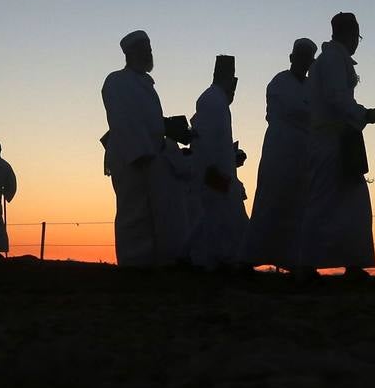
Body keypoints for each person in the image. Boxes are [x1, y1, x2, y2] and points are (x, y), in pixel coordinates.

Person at [296, 13, 375, 279]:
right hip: (330, 141)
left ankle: (352, 261)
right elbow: (337, 98)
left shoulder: (331, 60)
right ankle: (307, 263)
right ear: (351, 33)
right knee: (323, 199)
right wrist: (365, 114)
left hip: (340, 139)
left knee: (352, 201)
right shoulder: (334, 60)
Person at [101, 30, 186, 268]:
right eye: (145, 50)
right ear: (131, 53)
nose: (149, 54)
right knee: (133, 211)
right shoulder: (117, 81)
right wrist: (139, 153)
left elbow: (150, 122)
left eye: (150, 49)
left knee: (152, 212)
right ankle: (133, 263)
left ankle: (151, 261)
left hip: (152, 156)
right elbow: (124, 120)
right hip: (132, 156)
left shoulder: (145, 83)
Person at [242, 38, 317, 270]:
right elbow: (294, 111)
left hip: (303, 153)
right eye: (301, 57)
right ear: (292, 58)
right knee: (272, 200)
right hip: (280, 149)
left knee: (300, 205)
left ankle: (296, 260)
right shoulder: (279, 82)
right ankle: (251, 257)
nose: (304, 63)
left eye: (308, 59)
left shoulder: (312, 86)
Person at [189, 55, 244, 270]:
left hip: (219, 168)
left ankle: (214, 258)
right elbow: (207, 139)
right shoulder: (212, 100)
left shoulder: (215, 99)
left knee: (219, 215)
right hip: (213, 170)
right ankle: (208, 260)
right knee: (215, 214)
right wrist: (213, 169)